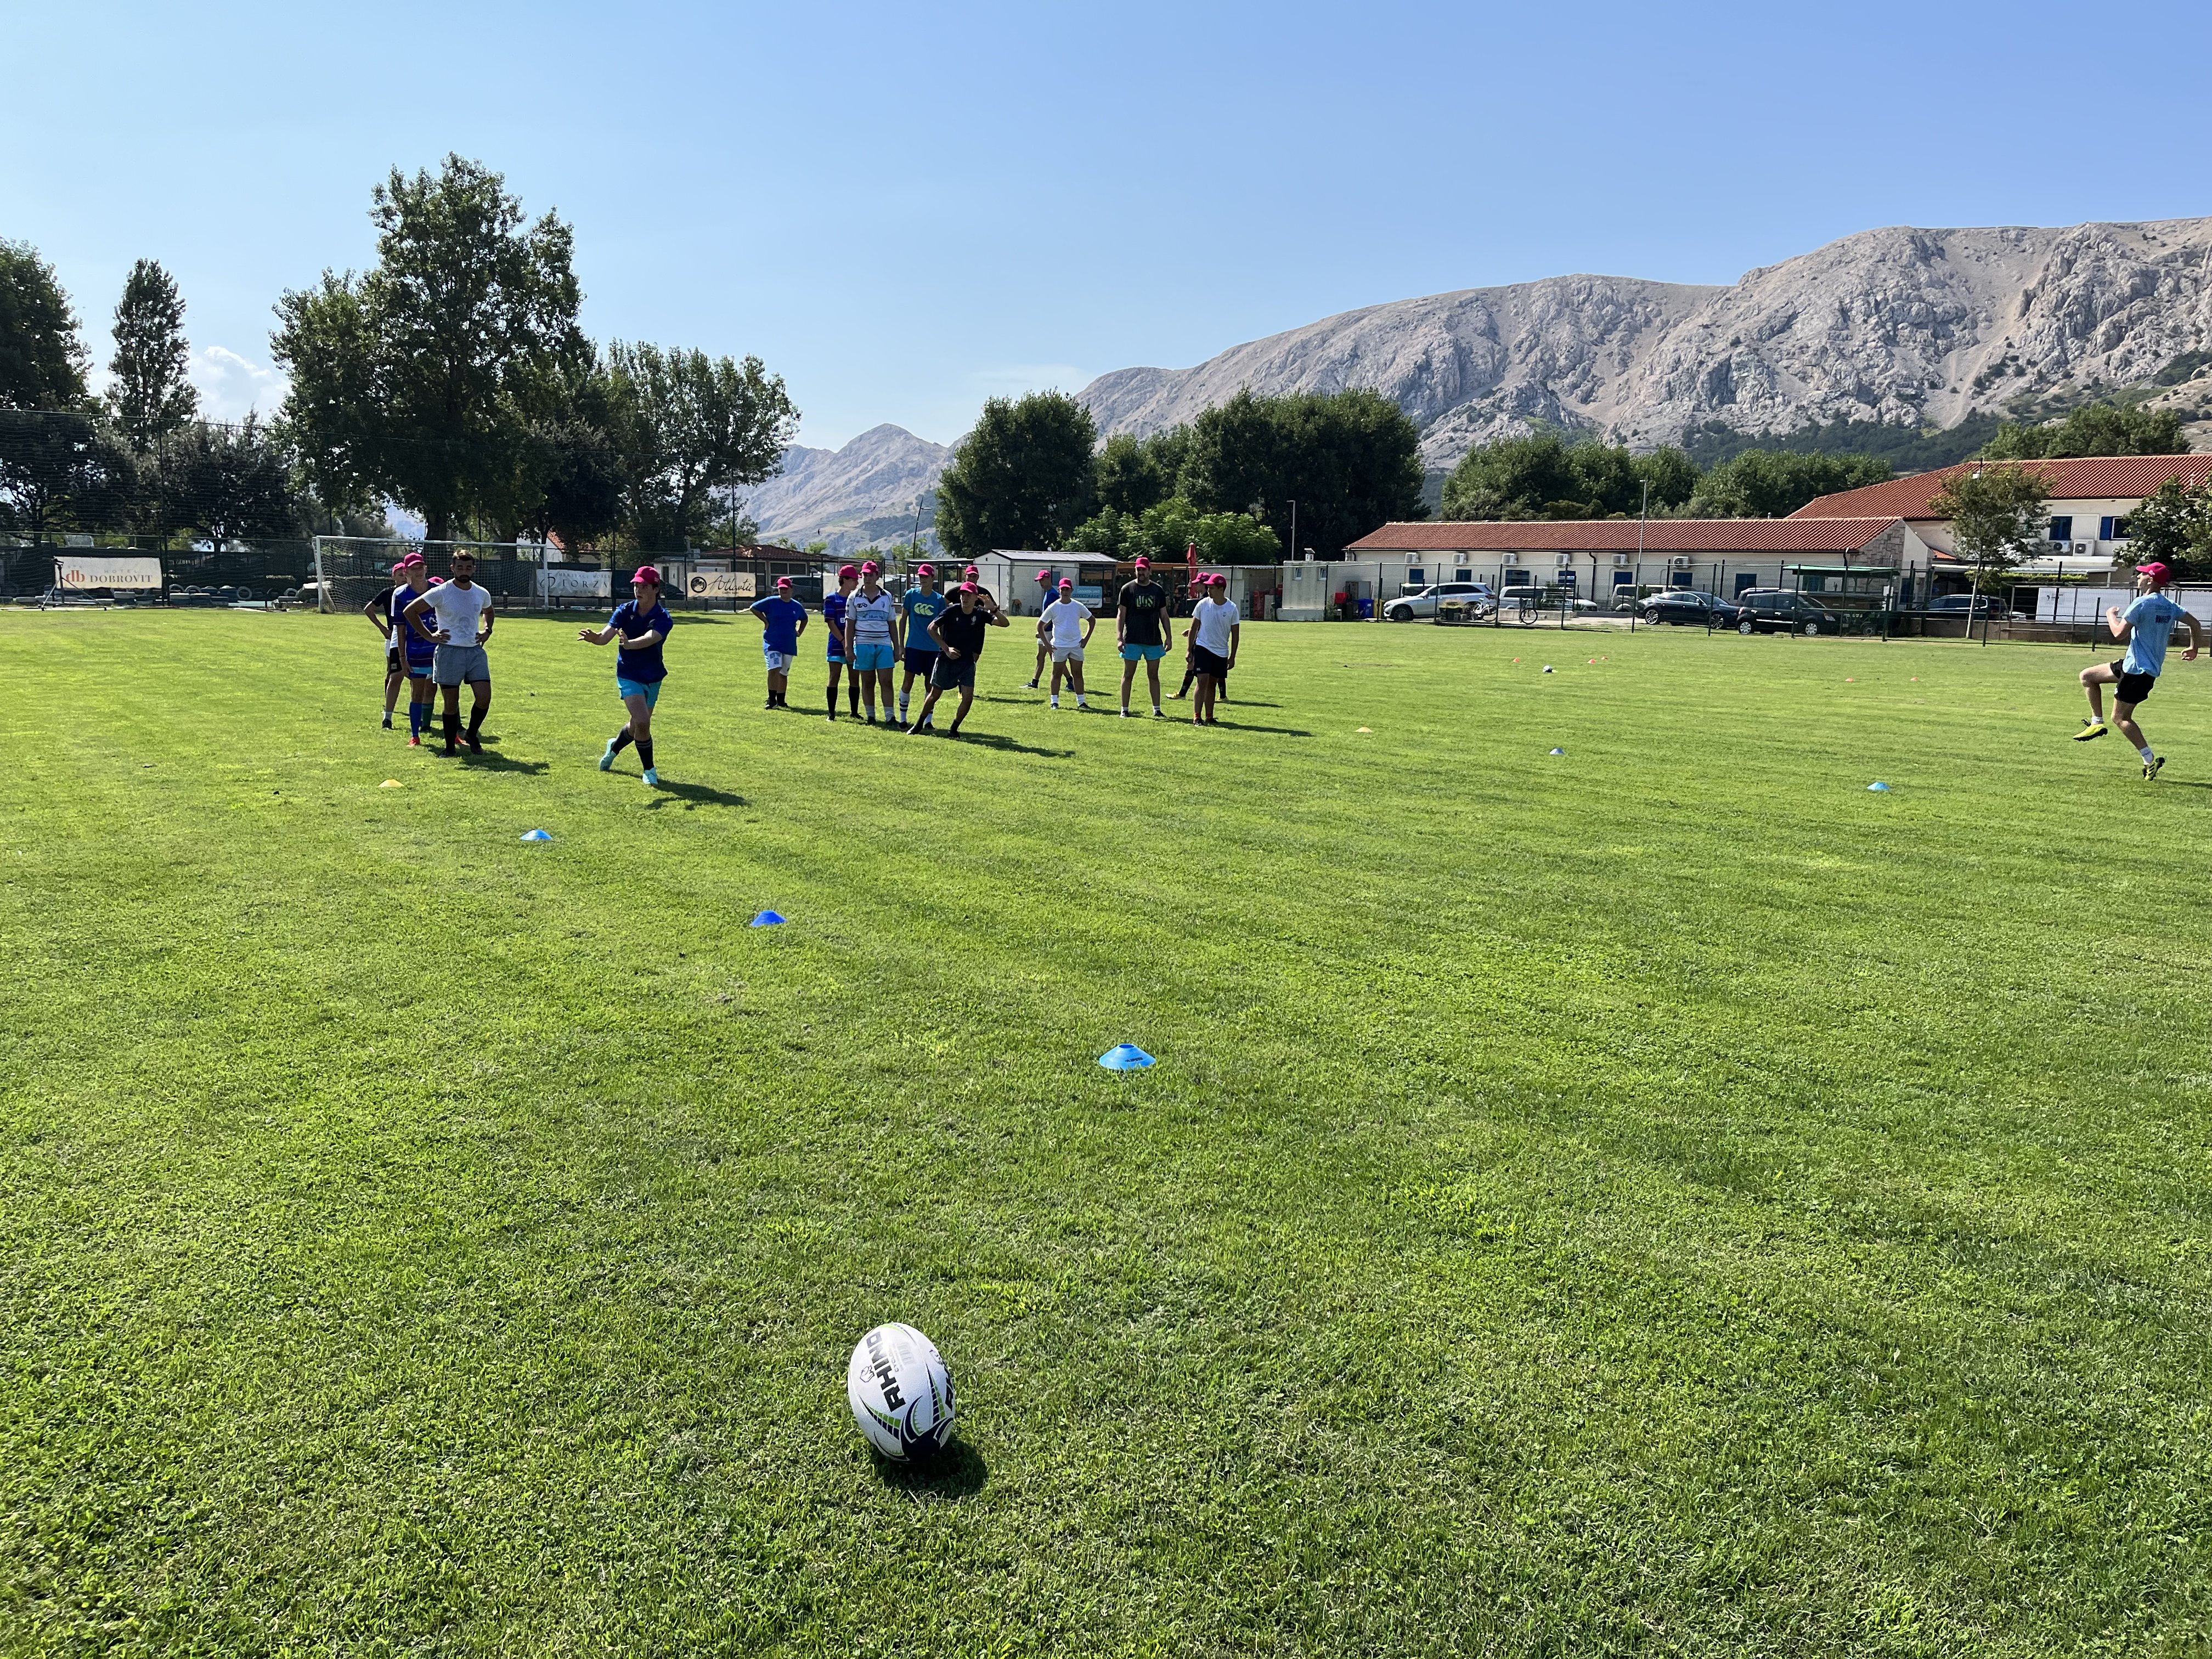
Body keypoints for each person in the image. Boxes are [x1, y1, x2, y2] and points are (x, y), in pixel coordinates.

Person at [2074, 560, 2199, 778]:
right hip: (2134, 666)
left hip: (2137, 672)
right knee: (2088, 676)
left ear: (2150, 580)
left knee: (2121, 719)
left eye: (2141, 574)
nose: (2138, 577)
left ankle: (2150, 760)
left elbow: (2118, 634)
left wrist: (2110, 615)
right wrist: (2194, 648)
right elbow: (2196, 624)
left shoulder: (2141, 603)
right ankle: (2096, 723)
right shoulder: (2169, 606)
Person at [580, 565, 674, 786]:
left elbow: (652, 637)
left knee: (637, 726)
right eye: (636, 586)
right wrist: (595, 639)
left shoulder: (663, 617)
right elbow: (605, 637)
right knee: (643, 721)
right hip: (628, 673)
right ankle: (649, 770)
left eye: (644, 586)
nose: (638, 590)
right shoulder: (624, 611)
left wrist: (631, 644)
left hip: (653, 676)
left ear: (656, 589)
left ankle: (613, 749)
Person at [403, 549, 495, 755]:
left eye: (468, 568)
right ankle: (450, 748)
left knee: (484, 698)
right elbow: (410, 611)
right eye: (460, 567)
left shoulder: (481, 592)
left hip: (475, 652)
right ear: (452, 568)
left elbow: (489, 611)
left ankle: (471, 734)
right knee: (451, 702)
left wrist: (487, 630)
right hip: (449, 652)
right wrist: (429, 636)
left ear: (474, 569)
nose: (464, 571)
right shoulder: (442, 591)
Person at [909, 580, 1008, 737]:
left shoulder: (980, 614)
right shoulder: (951, 611)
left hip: (967, 662)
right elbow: (931, 628)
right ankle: (919, 724)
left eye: (968, 595)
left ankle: (954, 729)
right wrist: (946, 649)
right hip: (947, 659)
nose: (965, 598)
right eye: (962, 594)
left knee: (968, 699)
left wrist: (994, 610)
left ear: (976, 597)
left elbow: (1005, 624)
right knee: (935, 695)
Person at [1116, 555, 1175, 718]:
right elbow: (1121, 615)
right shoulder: (1127, 589)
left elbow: (1164, 615)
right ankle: (1124, 709)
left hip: (1153, 640)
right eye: (1138, 570)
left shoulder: (1157, 590)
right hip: (1132, 639)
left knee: (1154, 675)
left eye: (1143, 570)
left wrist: (1169, 637)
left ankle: (1157, 710)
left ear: (1150, 571)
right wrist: (1120, 638)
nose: (1141, 572)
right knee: (1128, 675)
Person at [388, 555, 439, 744]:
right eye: (413, 568)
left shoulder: (438, 590)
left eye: (420, 567)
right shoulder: (401, 595)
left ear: (426, 569)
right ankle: (415, 735)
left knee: (448, 690)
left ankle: (455, 732)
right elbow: (400, 629)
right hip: (416, 651)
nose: (418, 572)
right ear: (406, 572)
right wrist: (402, 657)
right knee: (417, 692)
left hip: (439, 650)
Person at [363, 557, 419, 727]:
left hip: (417, 640)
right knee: (395, 675)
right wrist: (383, 629)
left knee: (418, 679)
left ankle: (419, 717)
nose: (403, 576)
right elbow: (396, 620)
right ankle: (387, 717)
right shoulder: (395, 593)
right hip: (397, 638)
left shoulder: (425, 589)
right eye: (400, 573)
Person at [844, 558, 900, 723]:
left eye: (871, 575)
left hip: (884, 644)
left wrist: (897, 647)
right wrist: (848, 648)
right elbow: (850, 624)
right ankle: (871, 716)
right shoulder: (854, 597)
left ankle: (890, 717)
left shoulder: (887, 596)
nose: (867, 578)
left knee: (886, 681)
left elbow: (892, 623)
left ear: (877, 576)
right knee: (868, 682)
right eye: (865, 575)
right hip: (863, 644)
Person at [898, 562, 949, 728]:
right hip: (913, 646)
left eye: (926, 577)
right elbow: (903, 620)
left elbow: (943, 626)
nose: (923, 579)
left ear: (933, 578)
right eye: (920, 576)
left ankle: (928, 721)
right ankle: (903, 719)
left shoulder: (939, 600)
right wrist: (901, 645)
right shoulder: (911, 595)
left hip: (933, 649)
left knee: (930, 686)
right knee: (908, 683)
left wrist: (944, 646)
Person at [1186, 573, 1240, 726]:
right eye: (1208, 587)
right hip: (1203, 647)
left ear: (1221, 589)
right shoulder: (1203, 604)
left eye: (1212, 588)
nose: (1208, 590)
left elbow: (1235, 635)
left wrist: (1233, 657)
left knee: (1212, 683)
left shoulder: (1232, 608)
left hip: (1221, 652)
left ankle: (1209, 717)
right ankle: (1197, 717)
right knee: (1202, 681)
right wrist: (1189, 650)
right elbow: (1193, 628)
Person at [748, 577, 810, 708]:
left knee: (784, 673)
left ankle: (781, 701)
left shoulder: (796, 606)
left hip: (789, 644)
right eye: (781, 589)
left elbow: (805, 619)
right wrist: (766, 621)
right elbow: (754, 608)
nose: (783, 591)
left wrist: (799, 632)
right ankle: (772, 700)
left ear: (791, 589)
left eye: (786, 588)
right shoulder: (771, 601)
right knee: (774, 669)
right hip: (772, 642)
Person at [1037, 577, 1094, 709]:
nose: (1065, 592)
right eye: (1063, 589)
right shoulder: (1054, 607)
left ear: (1072, 590)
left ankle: (1081, 702)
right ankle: (1054, 702)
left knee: (1078, 674)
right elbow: (1040, 625)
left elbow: (1092, 620)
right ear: (1059, 590)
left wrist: (1086, 639)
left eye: (1067, 589)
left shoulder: (1078, 606)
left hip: (1076, 645)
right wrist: (1047, 644)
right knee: (1057, 674)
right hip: (1059, 646)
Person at [822, 563, 859, 720]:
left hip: (854, 644)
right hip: (837, 644)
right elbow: (831, 623)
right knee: (834, 676)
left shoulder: (856, 599)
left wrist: (850, 643)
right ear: (844, 580)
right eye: (854, 580)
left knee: (854, 678)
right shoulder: (832, 599)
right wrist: (844, 641)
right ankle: (831, 713)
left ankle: (854, 712)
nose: (856, 583)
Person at [1024, 568, 1056, 687]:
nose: (1040, 583)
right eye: (1039, 581)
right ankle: (1035, 682)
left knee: (1053, 657)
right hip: (1046, 630)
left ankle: (1070, 680)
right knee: (1041, 656)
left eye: (1042, 580)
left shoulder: (1052, 595)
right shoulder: (1048, 593)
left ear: (1048, 579)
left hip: (1048, 631)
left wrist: (1042, 630)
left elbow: (1052, 616)